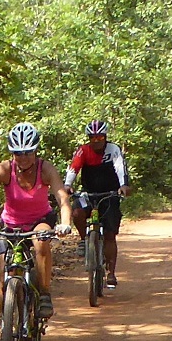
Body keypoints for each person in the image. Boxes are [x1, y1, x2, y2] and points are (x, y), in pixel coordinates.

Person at [0, 123, 76, 318]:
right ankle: (6, 324)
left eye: (28, 153)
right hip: (10, 224)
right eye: (18, 153)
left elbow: (63, 199)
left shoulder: (45, 169)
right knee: (4, 276)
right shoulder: (4, 169)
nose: (23, 158)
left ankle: (44, 294)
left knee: (41, 242)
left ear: (35, 151)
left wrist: (65, 223)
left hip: (39, 220)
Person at [64, 119, 131, 289]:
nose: (96, 141)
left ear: (105, 137)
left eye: (100, 138)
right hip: (88, 193)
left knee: (109, 234)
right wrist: (67, 185)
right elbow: (73, 168)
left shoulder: (113, 149)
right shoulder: (83, 150)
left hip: (109, 194)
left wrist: (123, 185)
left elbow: (120, 168)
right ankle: (83, 240)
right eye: (92, 138)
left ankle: (111, 272)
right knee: (77, 213)